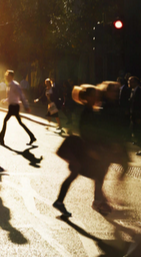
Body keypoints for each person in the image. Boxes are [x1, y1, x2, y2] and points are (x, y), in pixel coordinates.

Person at [53, 84, 107, 217]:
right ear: (88, 97)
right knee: (96, 173)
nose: (97, 97)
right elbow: (85, 132)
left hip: (80, 149)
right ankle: (98, 202)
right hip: (80, 149)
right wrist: (92, 150)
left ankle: (60, 202)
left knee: (77, 174)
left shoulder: (90, 110)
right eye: (94, 95)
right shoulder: (87, 111)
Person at [0, 70, 36, 146]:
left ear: (11, 76)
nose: (6, 77)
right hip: (12, 105)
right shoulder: (10, 85)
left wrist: (26, 106)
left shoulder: (15, 85)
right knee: (19, 123)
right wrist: (5, 100)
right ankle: (32, 136)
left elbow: (21, 96)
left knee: (6, 121)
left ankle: (1, 139)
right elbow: (11, 97)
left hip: (14, 106)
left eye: (7, 76)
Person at [128, 76, 141, 151]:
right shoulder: (133, 90)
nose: (129, 83)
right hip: (134, 115)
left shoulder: (138, 91)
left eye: (131, 81)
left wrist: (139, 117)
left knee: (138, 132)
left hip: (137, 116)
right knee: (136, 131)